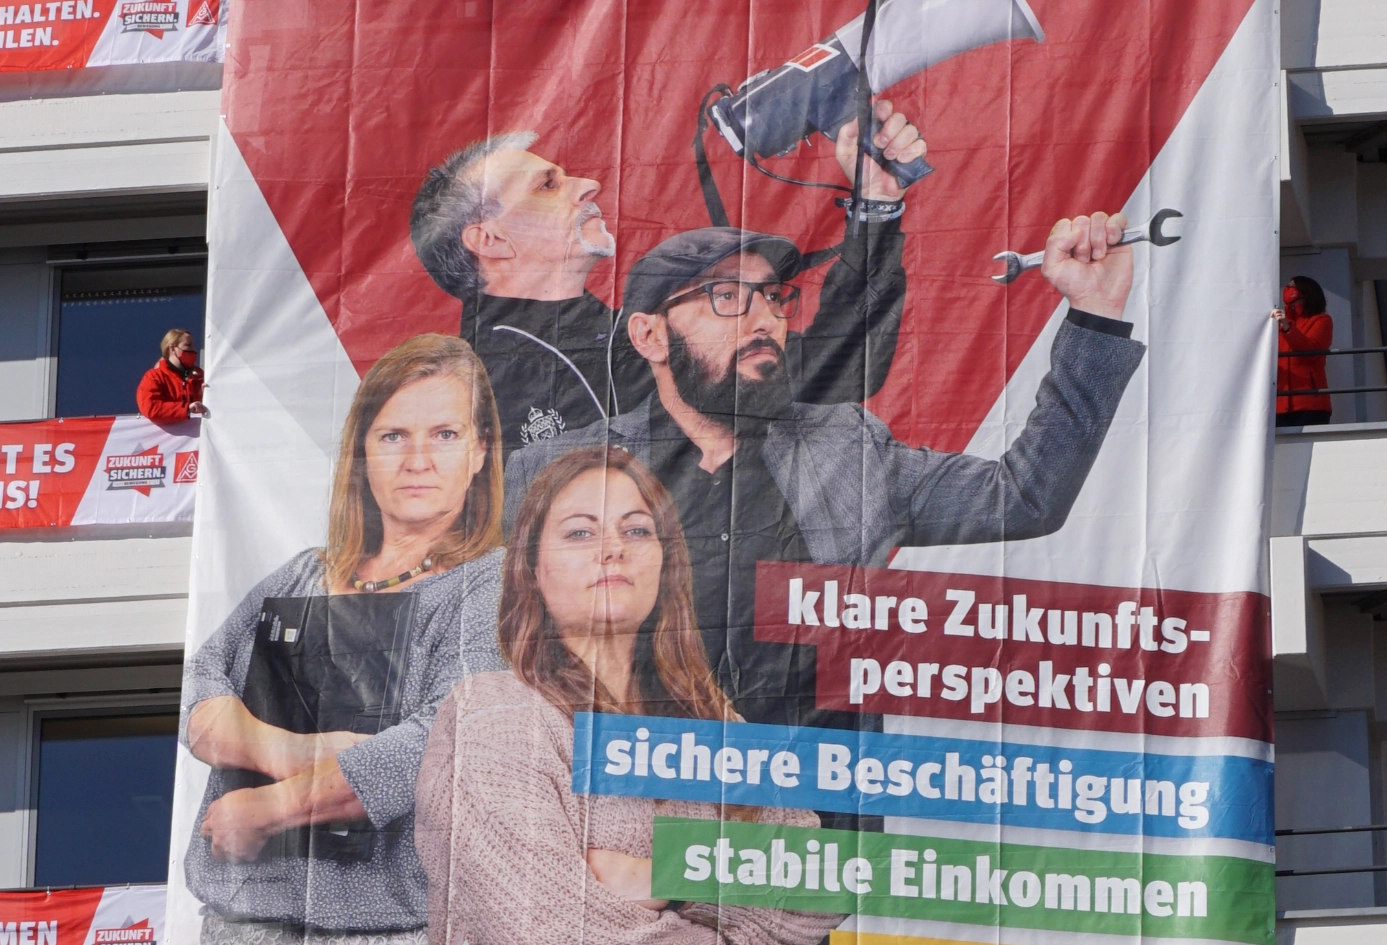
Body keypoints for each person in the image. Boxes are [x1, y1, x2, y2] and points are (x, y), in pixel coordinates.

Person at [505, 214, 1147, 733]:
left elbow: (1026, 496)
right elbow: (509, 655)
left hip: (812, 840)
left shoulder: (847, 448)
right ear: (649, 335)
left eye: (774, 300)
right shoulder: (557, 474)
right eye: (726, 297)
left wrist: (1096, 313)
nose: (764, 322)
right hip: (621, 822)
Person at [416, 446, 844, 945]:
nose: (613, 548)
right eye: (580, 532)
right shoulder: (494, 715)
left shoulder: (713, 720)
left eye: (637, 529)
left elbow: (819, 887)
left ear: (666, 562)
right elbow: (546, 932)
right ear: (531, 569)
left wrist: (668, 876)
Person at [180, 334, 507, 943]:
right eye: (393, 436)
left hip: (386, 930)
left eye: (445, 434)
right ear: (362, 451)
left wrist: (269, 808)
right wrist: (286, 751)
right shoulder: (303, 572)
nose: (417, 460)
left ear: (481, 452)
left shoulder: (493, 582)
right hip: (239, 923)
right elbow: (199, 686)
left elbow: (443, 745)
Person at [407, 100, 927, 456]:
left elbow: (842, 369)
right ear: (491, 241)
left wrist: (875, 206)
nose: (589, 185)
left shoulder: (640, 336)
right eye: (548, 185)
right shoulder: (457, 392)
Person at [1272, 275, 1334, 426]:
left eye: (1292, 286)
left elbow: (1311, 352)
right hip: (1279, 405)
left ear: (1305, 292)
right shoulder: (1278, 325)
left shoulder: (1321, 320)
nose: (1287, 289)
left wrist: (1287, 328)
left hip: (1311, 406)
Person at [137, 328, 205, 422]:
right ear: (172, 348)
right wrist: (186, 409)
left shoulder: (202, 377)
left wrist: (208, 395)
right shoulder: (154, 377)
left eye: (193, 346)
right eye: (188, 345)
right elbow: (151, 407)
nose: (193, 350)